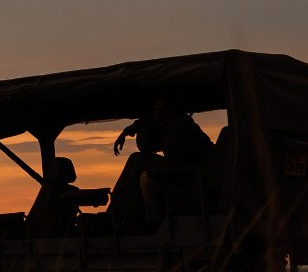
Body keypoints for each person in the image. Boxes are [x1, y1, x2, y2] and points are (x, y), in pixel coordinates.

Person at [109, 99, 215, 230]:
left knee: (141, 169)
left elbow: (176, 163)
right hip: (183, 169)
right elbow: (147, 120)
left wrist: (155, 171)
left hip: (191, 175)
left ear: (169, 111)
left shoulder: (179, 127)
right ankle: (119, 212)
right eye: (155, 110)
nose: (156, 113)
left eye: (159, 110)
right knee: (137, 159)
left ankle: (135, 219)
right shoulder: (170, 123)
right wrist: (127, 131)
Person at [25, 156, 109, 237]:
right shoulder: (57, 191)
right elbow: (93, 198)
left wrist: (98, 195)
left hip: (51, 231)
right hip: (48, 233)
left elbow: (97, 199)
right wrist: (98, 194)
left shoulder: (55, 190)